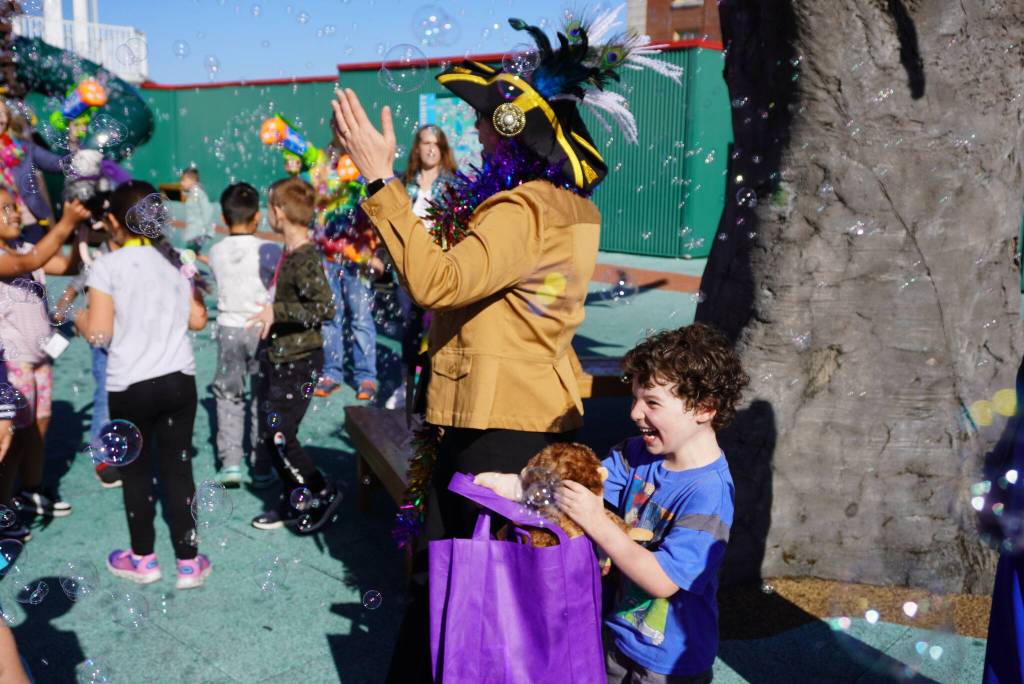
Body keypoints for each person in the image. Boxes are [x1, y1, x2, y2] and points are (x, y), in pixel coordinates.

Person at [334, 10, 685, 680]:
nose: (475, 126)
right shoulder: (567, 209)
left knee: (457, 586)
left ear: (516, 129)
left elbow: (437, 282)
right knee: (505, 592)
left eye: (486, 117)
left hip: (492, 423)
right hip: (524, 415)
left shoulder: (520, 209)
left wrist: (382, 182)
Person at [561, 324, 747, 682]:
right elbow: (587, 482)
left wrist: (597, 523)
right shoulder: (636, 454)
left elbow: (662, 582)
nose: (634, 412)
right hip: (616, 635)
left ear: (704, 408)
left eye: (652, 402)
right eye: (635, 398)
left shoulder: (708, 493)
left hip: (670, 663)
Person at [76, 180, 212, 590]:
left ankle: (144, 559)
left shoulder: (107, 267)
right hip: (178, 381)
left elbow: (99, 334)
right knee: (178, 470)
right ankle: (188, 563)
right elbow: (198, 321)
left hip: (130, 386)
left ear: (115, 222)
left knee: (136, 474)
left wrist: (80, 318)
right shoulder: (173, 261)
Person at [247, 177, 341, 533]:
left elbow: (325, 308)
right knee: (274, 436)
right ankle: (294, 495)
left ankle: (322, 491)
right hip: (281, 357)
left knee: (282, 435)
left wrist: (278, 311)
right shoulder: (292, 252)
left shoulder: (304, 257)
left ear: (280, 212)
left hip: (298, 362)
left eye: (270, 205)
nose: (267, 211)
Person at [0, 191, 90, 529]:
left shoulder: (26, 248)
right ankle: (5, 505)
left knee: (40, 425)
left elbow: (68, 265)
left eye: (14, 207)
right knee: (15, 438)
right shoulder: (10, 257)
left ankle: (31, 490)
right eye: (4, 209)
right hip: (12, 365)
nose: (14, 213)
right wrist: (65, 222)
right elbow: (28, 264)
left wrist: (79, 231)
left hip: (39, 359)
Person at [207, 182, 280, 488]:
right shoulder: (272, 250)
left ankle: (231, 464)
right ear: (257, 217)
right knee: (262, 397)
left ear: (224, 218)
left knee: (228, 394)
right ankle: (261, 466)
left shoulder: (215, 251)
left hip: (228, 330)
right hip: (262, 329)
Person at [383, 125, 458, 411]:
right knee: (409, 331)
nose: (430, 149)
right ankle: (407, 388)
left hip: (438, 269)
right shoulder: (404, 182)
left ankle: (433, 392)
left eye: (436, 144)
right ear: (417, 147)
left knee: (436, 332)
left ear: (443, 150)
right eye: (425, 143)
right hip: (405, 271)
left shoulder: (452, 184)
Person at [310, 143, 380, 401]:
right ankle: (332, 372)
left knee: (361, 319)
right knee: (330, 317)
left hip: (357, 257)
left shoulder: (362, 161)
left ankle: (366, 376)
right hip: (328, 256)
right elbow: (317, 206)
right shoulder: (323, 163)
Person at [53, 229, 122, 489]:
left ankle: (120, 449)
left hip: (129, 338)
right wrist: (63, 310)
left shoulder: (138, 253)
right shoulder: (101, 256)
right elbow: (75, 284)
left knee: (126, 394)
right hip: (104, 339)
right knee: (105, 397)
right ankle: (103, 458)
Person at [179, 167, 215, 253]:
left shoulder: (198, 194)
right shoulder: (193, 193)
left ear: (192, 180)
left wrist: (206, 229)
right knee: (190, 255)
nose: (181, 183)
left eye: (184, 180)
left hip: (198, 233)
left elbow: (208, 210)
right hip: (194, 232)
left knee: (189, 256)